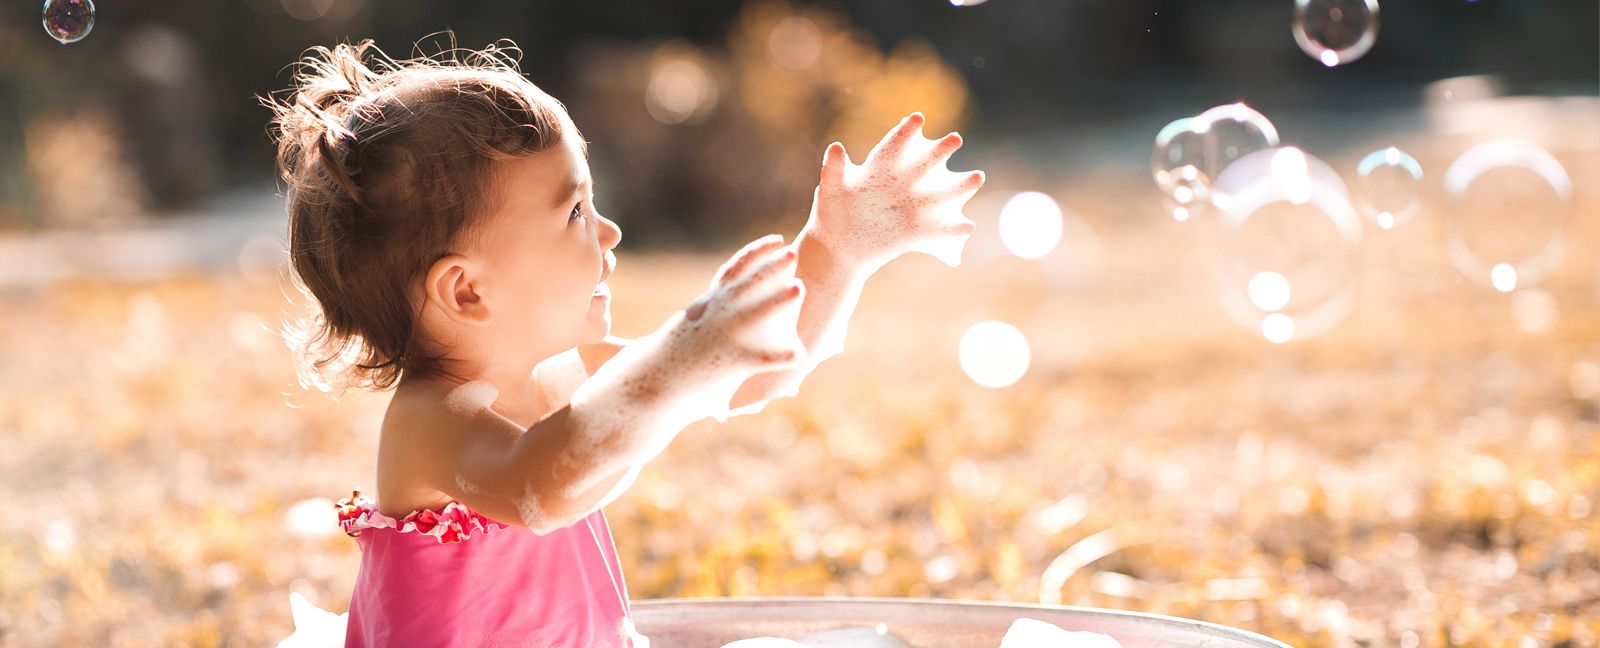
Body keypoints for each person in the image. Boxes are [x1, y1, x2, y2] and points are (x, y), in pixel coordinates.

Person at [265, 37, 984, 647]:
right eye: (575, 210)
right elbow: (540, 487)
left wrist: (840, 250)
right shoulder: (431, 419)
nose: (607, 233)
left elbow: (760, 372)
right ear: (467, 292)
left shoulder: (568, 374)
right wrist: (675, 366)